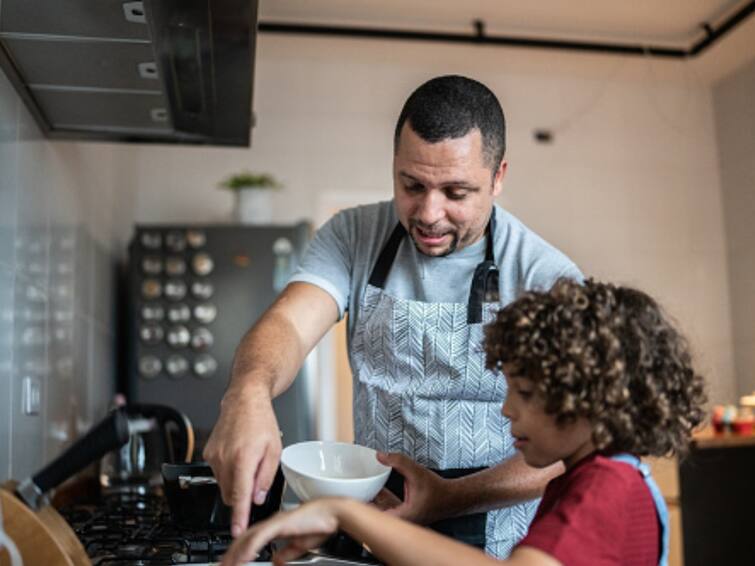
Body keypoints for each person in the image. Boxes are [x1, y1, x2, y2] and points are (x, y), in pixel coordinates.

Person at [203, 75, 582, 555]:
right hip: (381, 524)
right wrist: (247, 392)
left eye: (456, 193)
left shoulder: (544, 276)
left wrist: (450, 498)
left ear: (498, 176)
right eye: (412, 185)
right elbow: (289, 325)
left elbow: (576, 442)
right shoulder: (354, 236)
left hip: (503, 541)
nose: (429, 212)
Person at [219, 278, 707, 566]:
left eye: (529, 394)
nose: (507, 409)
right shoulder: (593, 474)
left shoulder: (607, 489)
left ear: (596, 399)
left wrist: (347, 513)